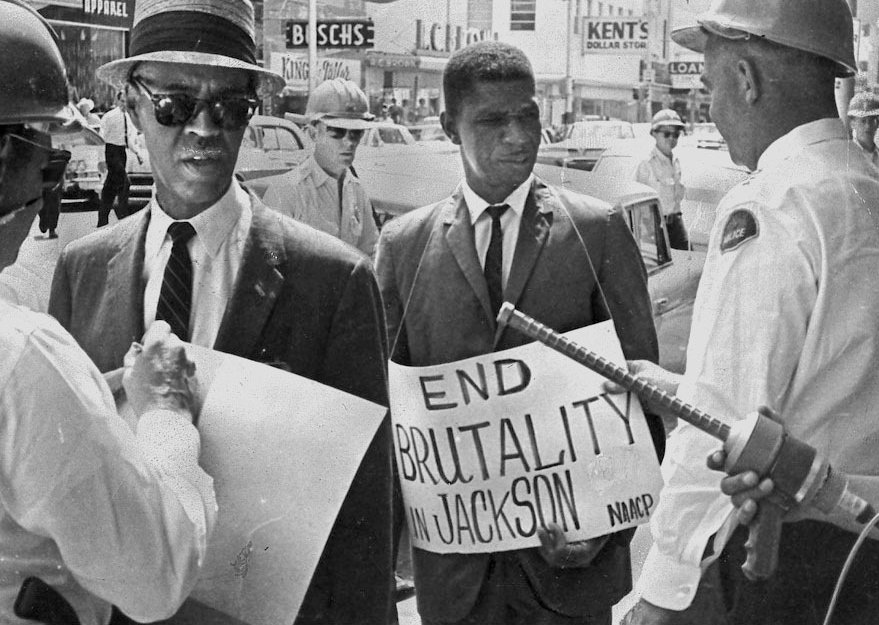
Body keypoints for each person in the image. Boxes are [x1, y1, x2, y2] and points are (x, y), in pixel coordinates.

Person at [48, 0, 394, 623]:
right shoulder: (82, 269)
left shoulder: (334, 282)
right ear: (131, 105)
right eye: (174, 105)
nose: (205, 129)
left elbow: (365, 523)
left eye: (230, 108)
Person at [621, 0, 879, 624]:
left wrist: (660, 593)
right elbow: (839, 379)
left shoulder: (772, 204)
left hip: (781, 556)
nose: (710, 109)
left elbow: (719, 418)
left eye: (710, 87)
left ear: (746, 79)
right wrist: (677, 389)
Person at [375, 40, 664, 625]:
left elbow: (643, 401)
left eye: (528, 116)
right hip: (456, 584)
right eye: (493, 121)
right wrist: (381, 564)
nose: (518, 136)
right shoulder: (405, 247)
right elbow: (388, 418)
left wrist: (604, 529)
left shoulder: (596, 231)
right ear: (449, 127)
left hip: (568, 580)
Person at [0, 2, 217, 624]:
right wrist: (166, 411)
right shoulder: (24, 353)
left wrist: (83, 396)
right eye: (49, 164)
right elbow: (158, 573)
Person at [265, 78, 379, 256]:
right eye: (337, 132)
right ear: (312, 133)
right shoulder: (285, 191)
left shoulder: (357, 191)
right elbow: (270, 261)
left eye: (356, 133)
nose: (349, 142)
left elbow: (370, 254)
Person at [635, 109, 689, 250]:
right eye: (666, 134)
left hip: (676, 223)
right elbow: (636, 202)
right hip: (654, 227)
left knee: (688, 258)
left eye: (676, 135)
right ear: (654, 133)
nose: (671, 139)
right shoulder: (646, 163)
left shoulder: (676, 161)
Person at [97, 91, 142, 227]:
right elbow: (101, 139)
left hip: (122, 152)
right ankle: (123, 217)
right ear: (117, 101)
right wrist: (101, 159)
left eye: (126, 101)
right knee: (125, 183)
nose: (124, 104)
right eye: (122, 101)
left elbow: (130, 140)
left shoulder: (131, 117)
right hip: (111, 151)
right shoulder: (109, 116)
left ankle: (102, 219)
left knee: (110, 187)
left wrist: (138, 153)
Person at [847, 91, 879, 175]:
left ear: (877, 123)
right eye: (863, 121)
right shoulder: (847, 157)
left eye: (872, 120)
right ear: (852, 124)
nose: (868, 126)